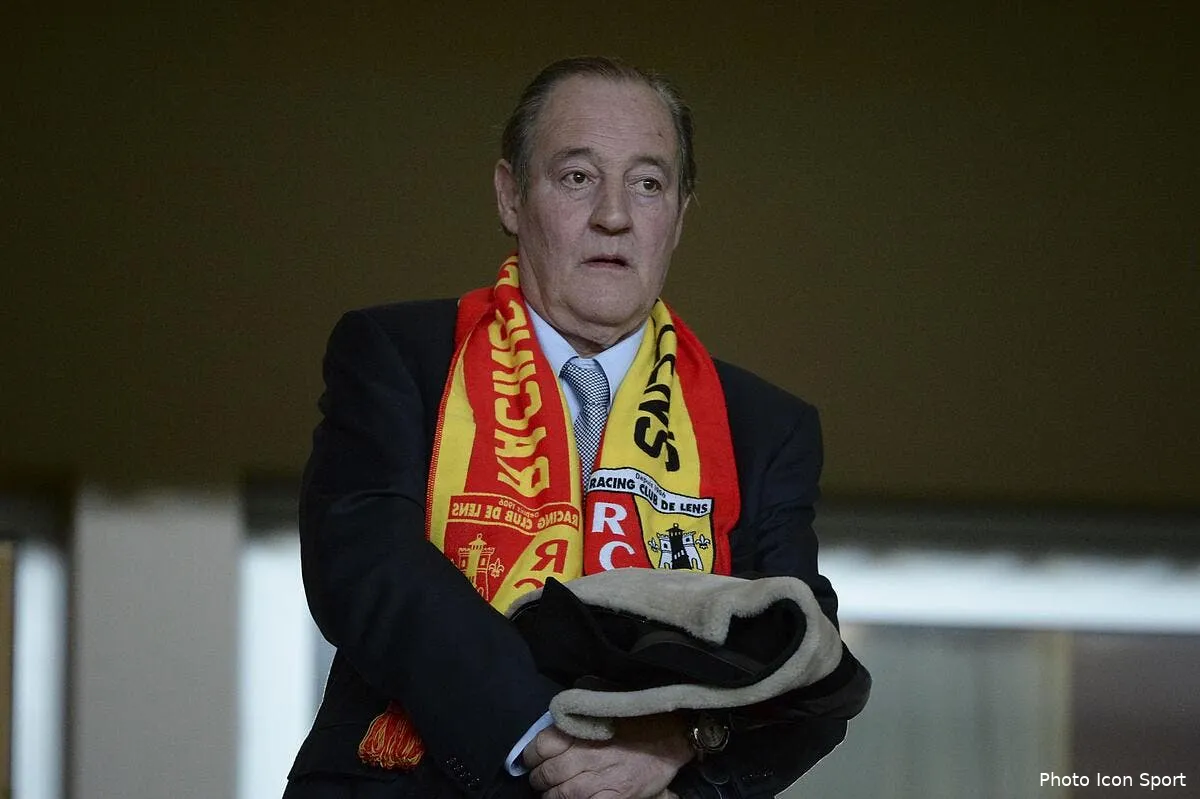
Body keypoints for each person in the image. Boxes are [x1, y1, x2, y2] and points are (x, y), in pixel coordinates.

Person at [284, 57, 867, 799]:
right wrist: (548, 738)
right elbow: (366, 564)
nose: (614, 215)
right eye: (577, 177)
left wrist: (678, 742)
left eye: (648, 183)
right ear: (510, 195)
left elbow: (806, 663)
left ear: (680, 216)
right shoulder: (400, 355)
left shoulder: (764, 426)